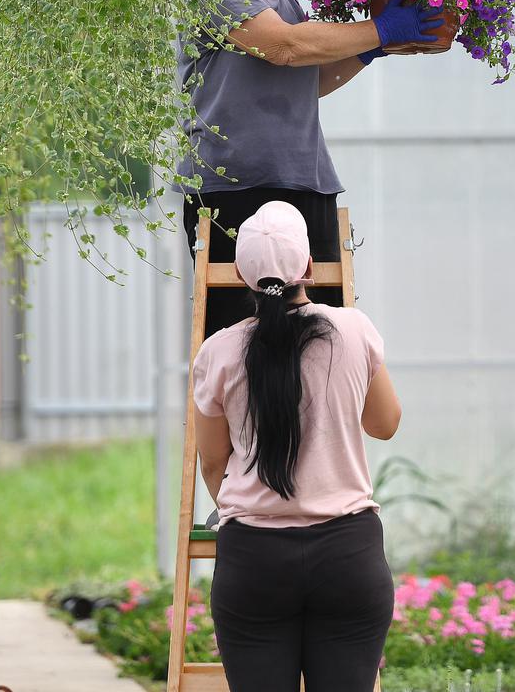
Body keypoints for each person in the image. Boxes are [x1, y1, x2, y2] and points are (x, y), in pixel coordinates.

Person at [180, 0, 443, 334]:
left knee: (320, 339)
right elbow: (285, 47)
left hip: (305, 180)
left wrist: (368, 52)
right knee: (242, 340)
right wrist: (379, 28)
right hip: (236, 188)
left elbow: (307, 76)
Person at [191, 200, 402, 692]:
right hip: (348, 554)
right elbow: (385, 424)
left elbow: (214, 461)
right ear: (309, 267)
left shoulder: (219, 350)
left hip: (254, 561)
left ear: (242, 274)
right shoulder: (353, 329)